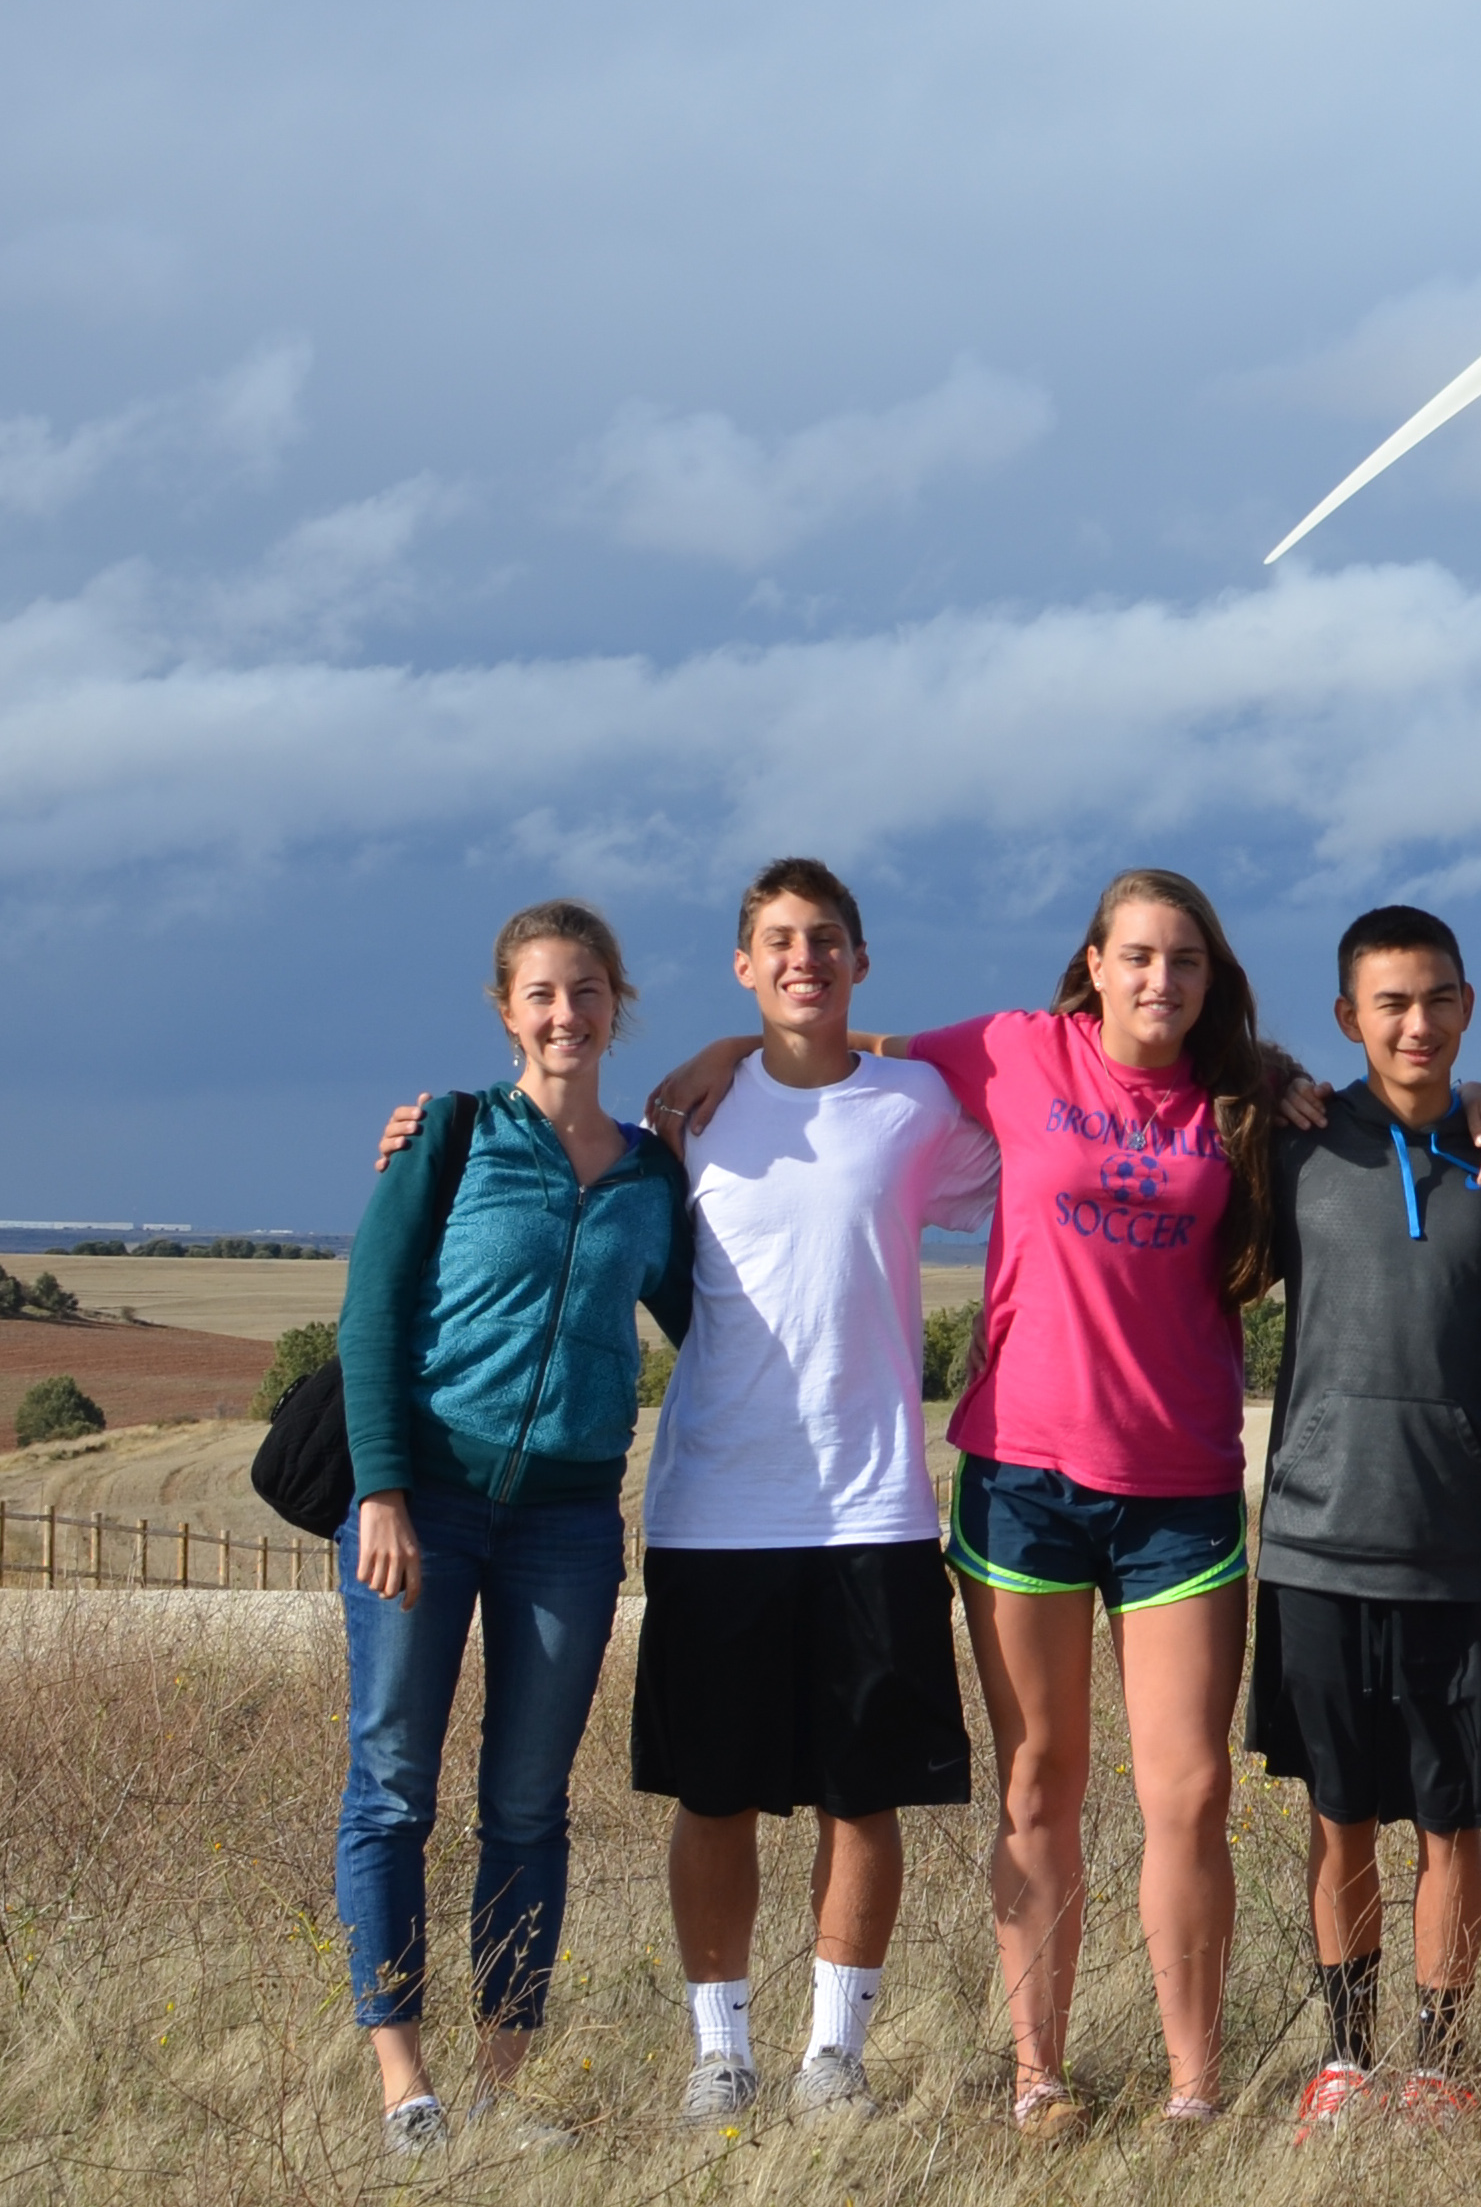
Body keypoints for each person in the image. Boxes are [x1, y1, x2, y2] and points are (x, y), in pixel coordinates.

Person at [640, 870, 1481, 2135]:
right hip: (1022, 1481)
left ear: (1209, 977)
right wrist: (727, 1044)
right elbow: (847, 1046)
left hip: (1179, 1488)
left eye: (1184, 960)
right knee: (1039, 1780)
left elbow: (1406, 1102)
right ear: (1095, 965)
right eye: (1137, 956)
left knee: (1191, 1789)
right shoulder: (1012, 1051)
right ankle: (1037, 2072)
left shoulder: (1249, 1106)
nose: (1159, 979)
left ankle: (1192, 2085)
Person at [635, 859, 999, 2131]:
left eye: (827, 939)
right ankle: (719, 2056)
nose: (805, 957)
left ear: (860, 960)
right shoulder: (685, 1118)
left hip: (876, 1508)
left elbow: (1044, 1170)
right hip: (712, 1512)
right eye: (779, 942)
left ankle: (833, 2059)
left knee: (865, 1793)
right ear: (744, 964)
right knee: (713, 1794)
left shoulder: (914, 1104)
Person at [336, 900, 695, 2156]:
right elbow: (371, 1311)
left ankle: (499, 2083)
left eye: (588, 990)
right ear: (507, 1009)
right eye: (543, 992)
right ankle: (405, 2086)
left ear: (617, 1004)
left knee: (529, 1804)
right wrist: (381, 1487)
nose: (566, 1014)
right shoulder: (450, 1133)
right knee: (391, 1785)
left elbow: (718, 1318)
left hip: (568, 1522)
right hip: (422, 1503)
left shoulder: (654, 1173)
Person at [1248, 907, 1481, 2144]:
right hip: (1316, 1538)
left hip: (1460, 1545)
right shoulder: (1298, 1145)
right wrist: (1259, 1079)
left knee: (1450, 1818)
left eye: (1436, 1000)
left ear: (1468, 1006)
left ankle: (1440, 2061)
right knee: (1338, 1811)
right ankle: (1345, 2057)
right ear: (1346, 1018)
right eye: (1389, 1004)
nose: (1415, 1024)